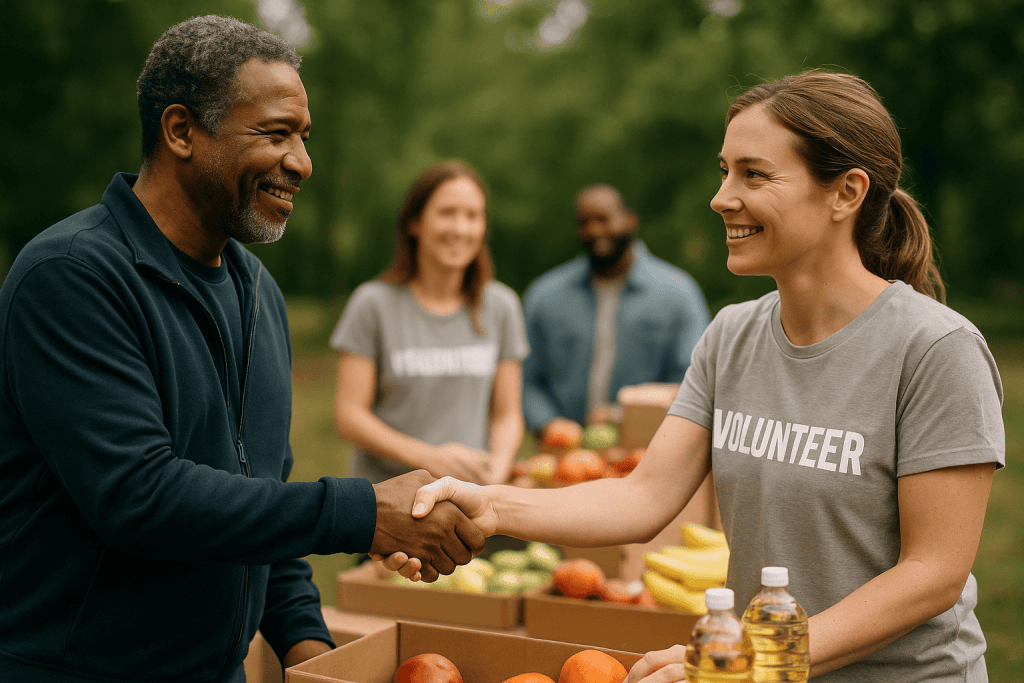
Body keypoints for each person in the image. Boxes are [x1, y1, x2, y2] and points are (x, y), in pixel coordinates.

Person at [382, 70, 1005, 682]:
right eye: (725, 170)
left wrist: (755, 657)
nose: (721, 197)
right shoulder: (730, 335)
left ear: (846, 192)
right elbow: (642, 496)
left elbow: (933, 573)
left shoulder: (936, 350)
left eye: (753, 174)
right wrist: (489, 503)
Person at [0, 16, 483, 683]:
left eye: (304, 138)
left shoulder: (257, 291)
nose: (302, 163)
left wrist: (306, 645)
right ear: (180, 132)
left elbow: (261, 499)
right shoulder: (72, 276)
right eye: (275, 133)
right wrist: (362, 512)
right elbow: (139, 494)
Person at [332, 160, 529, 488]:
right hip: (387, 501)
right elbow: (349, 416)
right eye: (447, 213)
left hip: (469, 500)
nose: (460, 228)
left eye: (472, 216)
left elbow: (506, 414)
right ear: (414, 223)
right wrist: (429, 458)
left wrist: (498, 469)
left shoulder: (501, 306)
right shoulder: (372, 304)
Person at [521, 184, 710, 441]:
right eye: (584, 222)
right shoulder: (544, 296)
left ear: (631, 219)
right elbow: (525, 379)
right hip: (561, 457)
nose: (594, 230)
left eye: (604, 219)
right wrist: (548, 423)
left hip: (648, 452)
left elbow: (693, 381)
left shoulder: (679, 294)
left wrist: (624, 414)